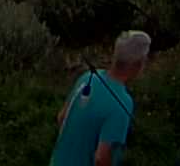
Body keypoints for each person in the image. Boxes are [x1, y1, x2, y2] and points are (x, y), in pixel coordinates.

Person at [48, 30, 151, 166]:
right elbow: (101, 158)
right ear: (138, 63)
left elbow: (62, 117)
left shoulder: (88, 77)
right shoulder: (122, 102)